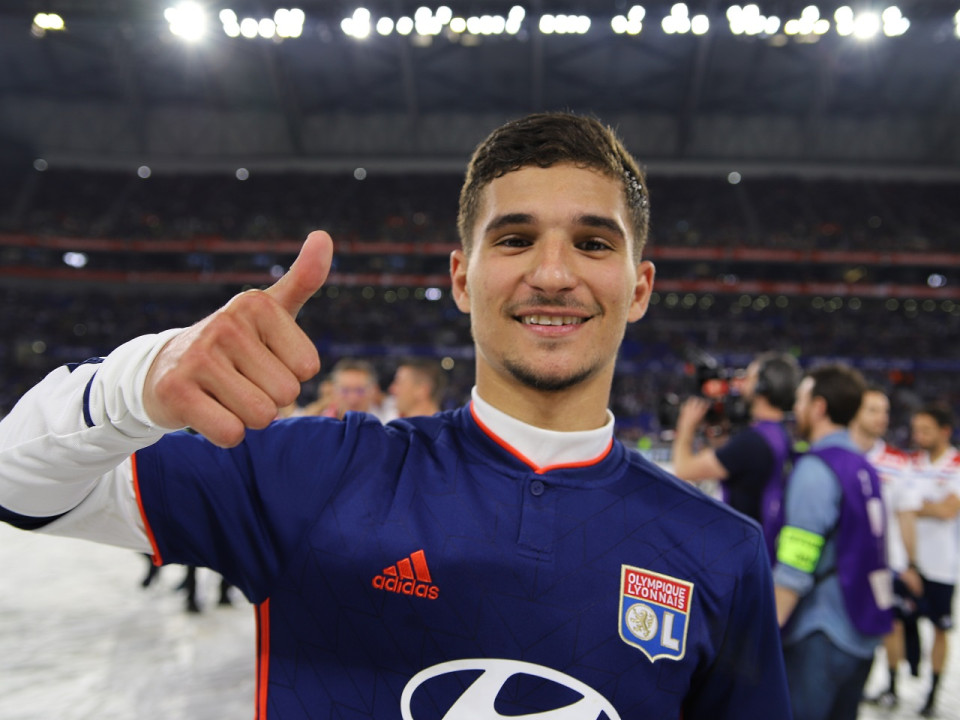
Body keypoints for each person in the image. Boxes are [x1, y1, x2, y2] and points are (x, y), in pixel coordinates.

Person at [0, 112, 790, 718]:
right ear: (460, 275)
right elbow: (21, 482)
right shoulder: (316, 474)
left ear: (641, 286)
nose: (553, 273)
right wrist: (138, 381)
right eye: (514, 238)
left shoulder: (720, 551)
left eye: (592, 243)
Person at [774, 363, 892, 720]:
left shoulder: (816, 469)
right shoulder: (863, 466)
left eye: (801, 400)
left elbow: (797, 561)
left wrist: (766, 629)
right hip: (863, 630)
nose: (796, 409)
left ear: (819, 407)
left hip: (822, 632)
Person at [672, 351, 801, 561]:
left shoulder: (752, 442)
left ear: (763, 387)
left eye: (749, 378)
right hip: (764, 547)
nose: (741, 384)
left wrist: (686, 426)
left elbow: (684, 469)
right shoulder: (778, 434)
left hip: (744, 553)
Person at [850, 387, 923, 709]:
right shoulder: (836, 455)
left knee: (889, 626)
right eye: (873, 410)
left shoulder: (897, 462)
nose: (883, 417)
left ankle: (891, 685)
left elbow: (907, 517)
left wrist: (910, 564)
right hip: (844, 566)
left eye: (885, 411)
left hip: (885, 566)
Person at [909, 403, 960, 718]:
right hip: (912, 562)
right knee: (899, 624)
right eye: (916, 429)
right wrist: (926, 505)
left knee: (939, 630)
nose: (919, 436)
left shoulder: (956, 464)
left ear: (945, 431)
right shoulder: (912, 464)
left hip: (943, 564)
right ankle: (893, 684)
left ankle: (933, 690)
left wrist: (916, 506)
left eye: (926, 430)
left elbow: (947, 511)